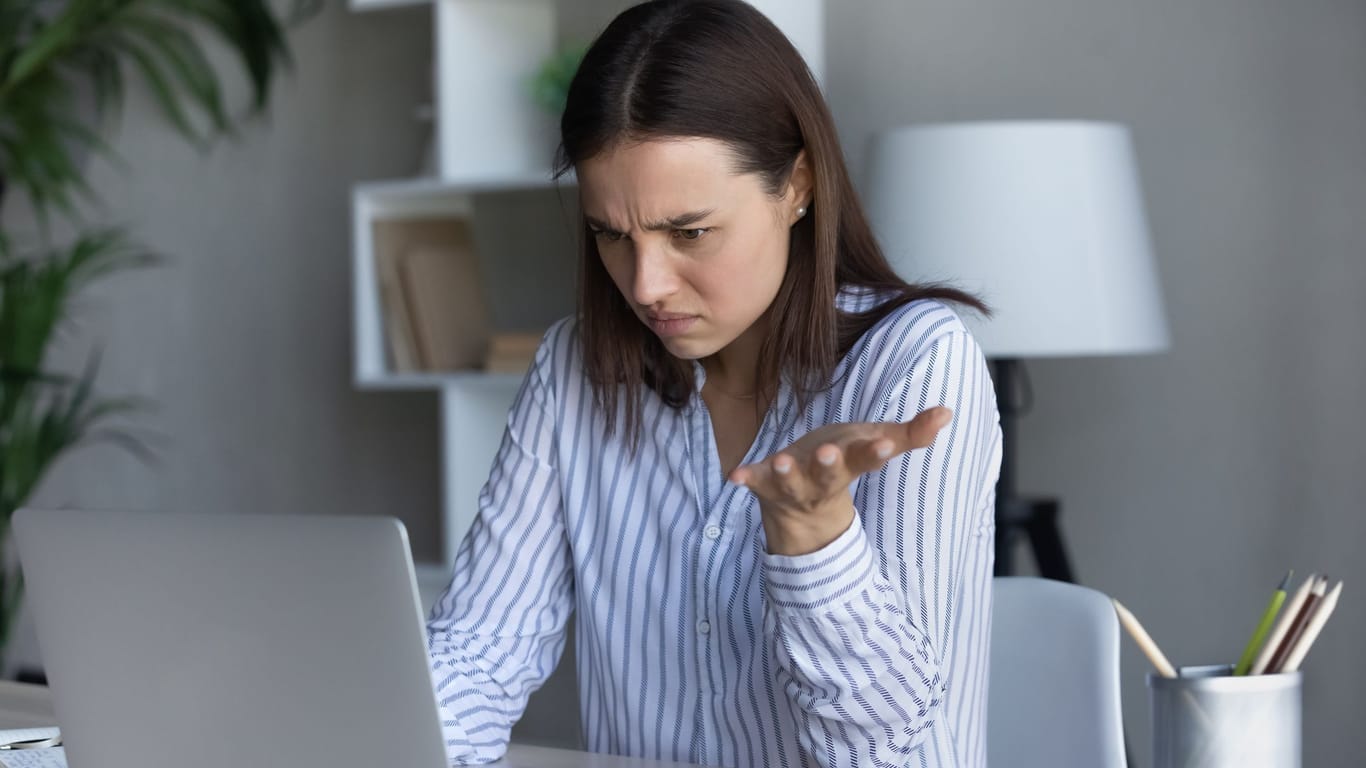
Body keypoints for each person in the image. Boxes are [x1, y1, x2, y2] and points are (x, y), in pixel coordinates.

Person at [426, 1, 1003, 765]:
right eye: (611, 234)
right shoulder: (576, 369)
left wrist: (813, 543)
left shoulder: (916, 364)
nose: (647, 284)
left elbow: (889, 754)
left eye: (688, 232)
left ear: (796, 185)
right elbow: (473, 660)